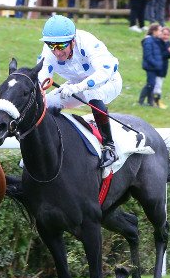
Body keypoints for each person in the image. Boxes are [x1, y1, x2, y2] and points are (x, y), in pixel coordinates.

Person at [37, 15, 122, 168]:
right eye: (51, 45)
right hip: (75, 85)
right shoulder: (50, 51)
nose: (57, 52)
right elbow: (41, 77)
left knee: (91, 93)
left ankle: (109, 146)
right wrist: (38, 93)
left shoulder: (87, 42)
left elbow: (105, 71)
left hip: (108, 82)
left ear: (73, 41)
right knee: (46, 103)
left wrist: (78, 87)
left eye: (61, 46)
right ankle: (45, 148)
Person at [138, 23, 162, 107]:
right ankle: (141, 101)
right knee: (150, 84)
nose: (161, 32)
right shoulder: (148, 41)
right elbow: (148, 56)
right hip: (150, 66)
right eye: (159, 30)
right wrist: (156, 64)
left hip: (154, 66)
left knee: (152, 84)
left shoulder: (155, 40)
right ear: (154, 31)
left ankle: (150, 102)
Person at [153, 25, 170, 109]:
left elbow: (169, 56)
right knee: (157, 85)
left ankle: (156, 101)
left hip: (164, 68)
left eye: (168, 35)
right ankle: (156, 101)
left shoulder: (168, 43)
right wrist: (168, 51)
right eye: (164, 34)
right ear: (161, 34)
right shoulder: (158, 43)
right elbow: (160, 55)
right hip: (158, 67)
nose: (166, 36)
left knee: (159, 84)